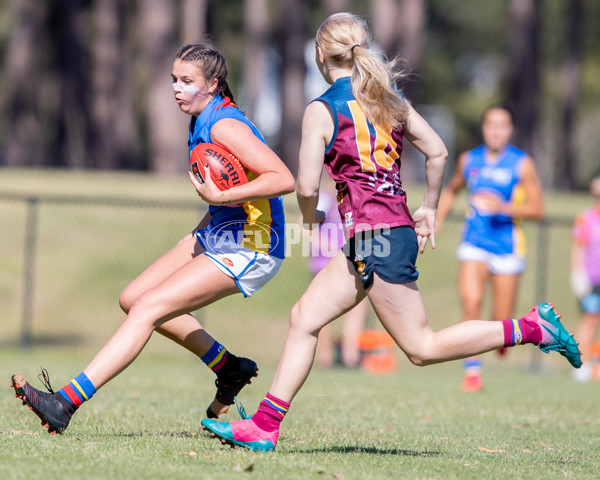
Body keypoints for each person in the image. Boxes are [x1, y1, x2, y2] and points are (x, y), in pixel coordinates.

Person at [200, 12, 581, 452]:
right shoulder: (387, 99)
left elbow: (306, 186)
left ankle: (534, 328)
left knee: (421, 346)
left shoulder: (322, 109)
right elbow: (436, 151)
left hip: (377, 238)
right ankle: (265, 427)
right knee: (305, 318)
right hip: (381, 234)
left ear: (320, 54)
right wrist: (429, 207)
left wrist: (310, 219)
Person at [10, 42, 295, 434]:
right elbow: (233, 184)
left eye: (187, 81)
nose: (177, 88)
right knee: (133, 299)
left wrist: (220, 199)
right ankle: (228, 367)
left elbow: (283, 179)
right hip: (219, 232)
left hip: (254, 245)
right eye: (174, 80)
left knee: (149, 308)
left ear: (213, 85)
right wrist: (205, 222)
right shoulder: (200, 117)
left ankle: (65, 403)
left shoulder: (225, 124)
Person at [435, 103, 545, 392]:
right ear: (484, 128)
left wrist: (504, 207)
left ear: (510, 130)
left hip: (507, 247)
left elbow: (537, 208)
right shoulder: (469, 160)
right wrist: (437, 220)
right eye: (491, 124)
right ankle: (472, 372)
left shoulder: (522, 163)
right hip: (474, 243)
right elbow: (451, 189)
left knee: (501, 316)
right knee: (471, 303)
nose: (496, 131)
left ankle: (502, 340)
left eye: (502, 125)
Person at [307, 176, 369, 369]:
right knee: (324, 310)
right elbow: (305, 223)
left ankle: (351, 355)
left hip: (351, 260)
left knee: (359, 305)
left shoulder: (356, 201)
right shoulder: (326, 199)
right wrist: (321, 242)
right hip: (325, 262)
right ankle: (325, 357)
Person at [570, 176, 600, 382]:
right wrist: (577, 273)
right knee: (589, 321)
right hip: (592, 281)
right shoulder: (586, 217)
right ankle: (581, 364)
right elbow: (578, 246)